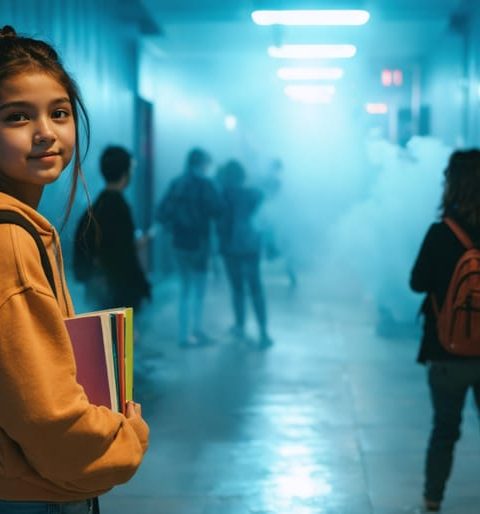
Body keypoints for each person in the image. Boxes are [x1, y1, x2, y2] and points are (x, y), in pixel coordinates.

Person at [0, 26, 149, 513]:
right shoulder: (10, 241)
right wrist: (126, 436)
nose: (45, 131)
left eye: (59, 113)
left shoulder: (22, 225)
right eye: (17, 116)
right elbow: (50, 422)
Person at [410, 149, 480, 512]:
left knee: (444, 431)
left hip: (446, 350)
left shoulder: (440, 233)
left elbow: (417, 283)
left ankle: (432, 500)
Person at [74, 145, 151, 311]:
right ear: (125, 173)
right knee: (122, 337)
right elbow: (123, 256)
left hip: (98, 293)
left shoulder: (95, 207)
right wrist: (142, 287)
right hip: (116, 296)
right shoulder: (118, 208)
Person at [157, 148, 221, 347]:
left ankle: (184, 335)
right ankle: (197, 330)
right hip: (200, 244)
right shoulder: (206, 184)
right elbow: (218, 210)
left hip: (179, 243)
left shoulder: (177, 183)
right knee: (199, 291)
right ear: (202, 164)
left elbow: (161, 212)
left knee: (185, 289)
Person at [217, 160, 273, 348]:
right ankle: (263, 332)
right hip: (251, 247)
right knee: (256, 289)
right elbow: (264, 220)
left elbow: (221, 223)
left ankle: (240, 326)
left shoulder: (223, 195)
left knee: (237, 288)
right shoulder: (255, 195)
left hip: (230, 248)